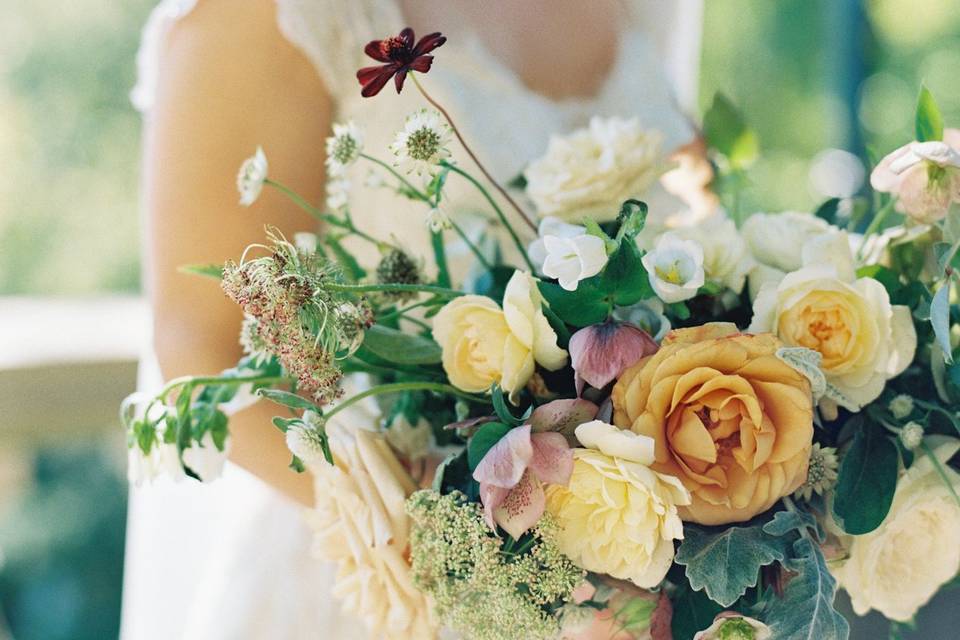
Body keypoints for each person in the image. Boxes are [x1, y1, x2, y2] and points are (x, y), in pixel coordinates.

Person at [121, 1, 704, 638]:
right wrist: (470, 560)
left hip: (640, 577)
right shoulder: (272, 15)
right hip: (391, 580)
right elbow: (202, 342)